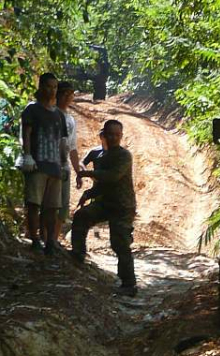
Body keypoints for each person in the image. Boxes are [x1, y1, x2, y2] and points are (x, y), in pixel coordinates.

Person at [71, 119, 137, 296]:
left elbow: (112, 177)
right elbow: (103, 184)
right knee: (81, 216)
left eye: (117, 135)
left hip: (123, 206)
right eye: (110, 134)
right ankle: (77, 255)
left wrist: (87, 173)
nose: (114, 138)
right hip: (106, 202)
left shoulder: (124, 156)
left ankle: (129, 284)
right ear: (104, 135)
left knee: (120, 243)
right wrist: (88, 194)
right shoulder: (103, 155)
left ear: (121, 136)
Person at [16, 72, 67, 255]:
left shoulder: (59, 115)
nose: (52, 90)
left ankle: (51, 241)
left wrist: (64, 163)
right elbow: (26, 134)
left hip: (54, 166)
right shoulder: (32, 109)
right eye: (48, 86)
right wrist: (27, 156)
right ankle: (35, 240)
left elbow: (62, 142)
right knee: (33, 204)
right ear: (41, 87)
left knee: (52, 207)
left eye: (55, 87)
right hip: (37, 165)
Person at [51, 81, 82, 244]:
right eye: (69, 94)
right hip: (49, 165)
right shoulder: (50, 114)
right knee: (48, 204)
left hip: (63, 167)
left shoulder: (70, 119)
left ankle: (53, 241)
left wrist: (78, 172)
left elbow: (72, 147)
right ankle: (41, 238)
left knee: (62, 207)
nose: (71, 98)